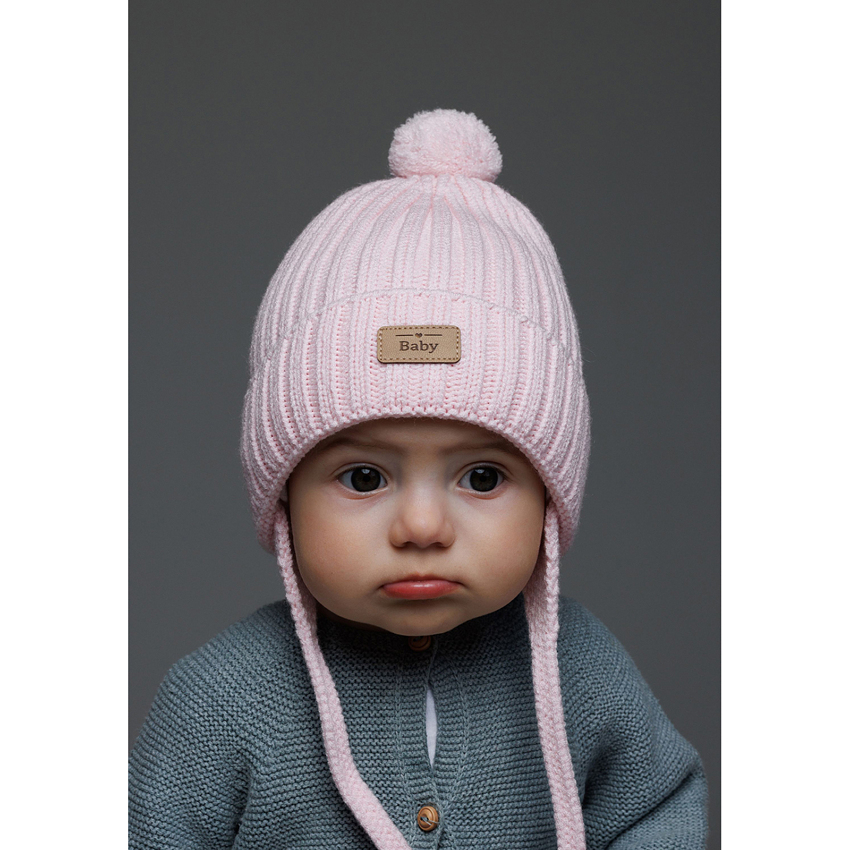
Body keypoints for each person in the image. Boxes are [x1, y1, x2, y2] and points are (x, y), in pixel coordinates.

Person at [129, 109, 708, 849]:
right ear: (282, 500)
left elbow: (658, 809)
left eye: (483, 476)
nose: (424, 528)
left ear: (549, 498)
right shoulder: (221, 698)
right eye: (364, 476)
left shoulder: (581, 669)